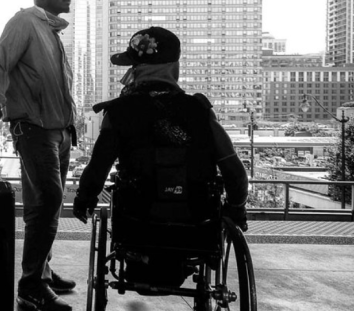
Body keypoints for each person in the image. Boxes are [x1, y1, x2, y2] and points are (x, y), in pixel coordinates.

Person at [73, 27, 249, 284]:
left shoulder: (119, 112)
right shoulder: (199, 112)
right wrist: (236, 210)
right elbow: (235, 173)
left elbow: (98, 167)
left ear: (136, 70)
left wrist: (84, 199)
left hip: (137, 223)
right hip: (196, 226)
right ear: (174, 67)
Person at [0, 0, 77, 311]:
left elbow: (57, 87)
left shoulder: (51, 32)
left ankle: (43, 273)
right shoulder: (25, 21)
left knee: (49, 204)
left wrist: (70, 125)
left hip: (59, 131)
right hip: (33, 129)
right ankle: (31, 287)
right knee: (46, 201)